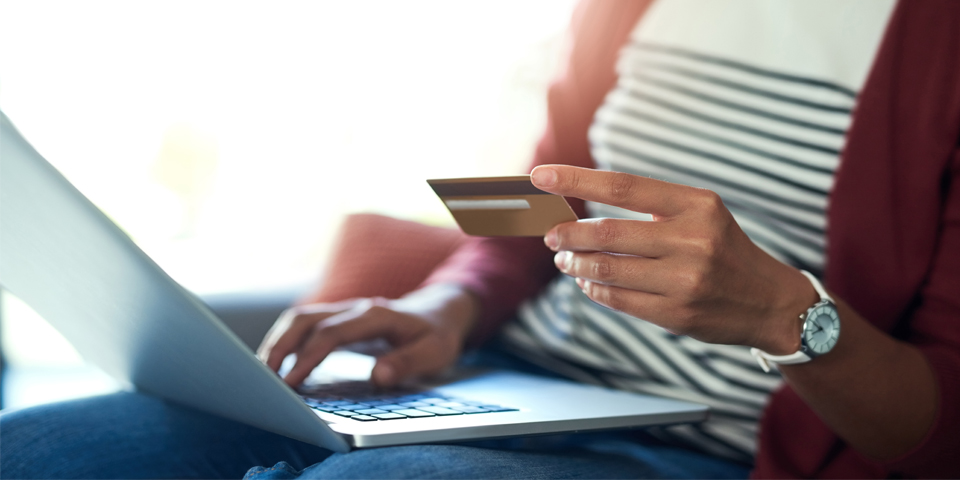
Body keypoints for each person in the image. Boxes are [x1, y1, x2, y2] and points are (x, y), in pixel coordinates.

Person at [2, 0, 959, 478]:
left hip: (705, 444)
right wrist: (443, 307)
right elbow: (537, 206)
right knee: (34, 453)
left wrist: (786, 314)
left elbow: (939, 430)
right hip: (508, 380)